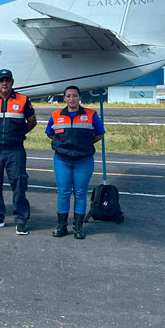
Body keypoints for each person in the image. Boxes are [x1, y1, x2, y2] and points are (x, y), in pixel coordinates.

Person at [46, 85, 105, 239]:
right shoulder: (56, 114)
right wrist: (64, 145)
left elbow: (99, 134)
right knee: (63, 192)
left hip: (83, 160)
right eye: (68, 96)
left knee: (80, 193)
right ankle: (61, 226)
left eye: (74, 96)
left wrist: (83, 144)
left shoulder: (91, 115)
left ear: (79, 97)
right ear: (64, 98)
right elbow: (50, 134)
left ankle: (78, 228)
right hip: (62, 160)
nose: (71, 99)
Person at [0, 69, 37, 234]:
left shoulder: (22, 100)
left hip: (15, 149)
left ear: (12, 82)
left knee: (19, 184)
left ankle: (20, 220)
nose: (4, 83)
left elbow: (32, 121)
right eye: (1, 80)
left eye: (7, 80)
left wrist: (17, 134)